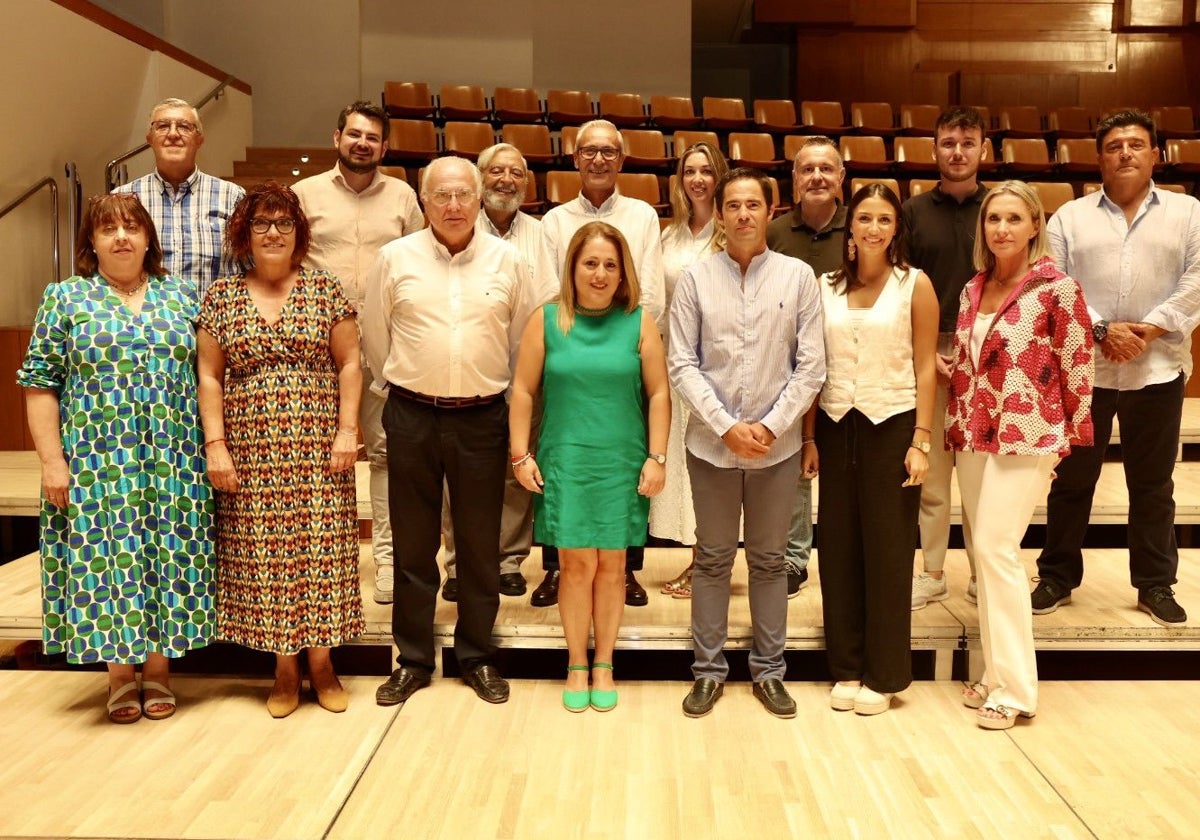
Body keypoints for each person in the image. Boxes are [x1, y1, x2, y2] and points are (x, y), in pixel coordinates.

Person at [19, 193, 215, 724]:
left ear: (149, 237)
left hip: (173, 457)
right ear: (92, 242)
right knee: (108, 560)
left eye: (132, 227)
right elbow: (40, 385)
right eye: (108, 229)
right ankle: (119, 678)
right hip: (97, 459)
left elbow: (207, 376)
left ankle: (159, 673)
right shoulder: (65, 298)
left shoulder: (182, 297)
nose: (122, 237)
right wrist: (51, 461)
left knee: (165, 558)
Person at [363, 156, 533, 707]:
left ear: (480, 197)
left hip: (483, 418)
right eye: (442, 196)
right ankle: (413, 659)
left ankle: (477, 657)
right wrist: (410, 389)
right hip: (412, 415)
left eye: (464, 194)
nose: (454, 206)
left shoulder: (508, 261)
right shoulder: (394, 259)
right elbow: (375, 338)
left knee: (479, 546)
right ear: (423, 199)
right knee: (413, 547)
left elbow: (521, 342)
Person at [197, 183, 363, 718]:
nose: (273, 232)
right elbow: (209, 375)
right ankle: (285, 669)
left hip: (318, 448)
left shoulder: (323, 288)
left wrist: (347, 430)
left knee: (320, 553)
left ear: (299, 234)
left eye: (284, 224)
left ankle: (323, 664)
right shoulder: (221, 297)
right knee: (264, 557)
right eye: (262, 224)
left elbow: (350, 365)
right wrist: (215, 444)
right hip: (249, 452)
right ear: (245, 233)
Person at [1034, 109, 1200, 626]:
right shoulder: (1069, 217)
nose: (1125, 152)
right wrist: (1104, 329)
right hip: (1086, 371)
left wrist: (1147, 329)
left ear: (1156, 154)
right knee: (1071, 481)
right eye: (1114, 146)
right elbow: (1053, 284)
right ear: (1099, 157)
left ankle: (1155, 584)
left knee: (1152, 483)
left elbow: (1198, 279)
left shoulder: (1190, 212)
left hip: (1158, 367)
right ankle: (1057, 576)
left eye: (1136, 144)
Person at [670, 168, 825, 719]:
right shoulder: (694, 279)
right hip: (710, 446)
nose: (741, 214)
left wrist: (771, 426)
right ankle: (708, 672)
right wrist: (725, 425)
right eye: (731, 205)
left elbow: (810, 367)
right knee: (711, 558)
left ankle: (769, 672)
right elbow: (681, 363)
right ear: (721, 211)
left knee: (768, 561)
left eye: (751, 205)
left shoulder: (798, 278)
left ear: (769, 210)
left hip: (775, 448)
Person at [947, 181, 1094, 729]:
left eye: (1013, 219)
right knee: (983, 557)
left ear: (1035, 225)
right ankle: (993, 674)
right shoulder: (972, 287)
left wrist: (1072, 437)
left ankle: (1014, 689)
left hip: (1029, 432)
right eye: (993, 219)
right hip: (974, 429)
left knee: (996, 547)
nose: (1002, 229)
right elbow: (972, 358)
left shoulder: (1057, 288)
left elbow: (1078, 363)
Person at [510, 221, 669, 711]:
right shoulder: (547, 319)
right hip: (567, 459)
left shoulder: (638, 321)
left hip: (621, 460)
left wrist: (657, 457)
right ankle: (577, 662)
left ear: (623, 273)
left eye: (609, 265)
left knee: (614, 566)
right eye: (590, 263)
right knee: (576, 564)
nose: (599, 274)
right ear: (572, 268)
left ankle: (606, 662)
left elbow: (660, 393)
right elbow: (521, 391)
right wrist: (520, 454)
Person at [802, 183, 938, 716]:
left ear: (896, 228)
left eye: (885, 219)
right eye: (865, 219)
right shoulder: (825, 285)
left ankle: (884, 675)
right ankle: (848, 666)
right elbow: (813, 368)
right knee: (837, 549)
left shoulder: (914, 285)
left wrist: (921, 440)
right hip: (836, 426)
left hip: (893, 427)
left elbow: (926, 365)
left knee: (886, 552)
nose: (874, 228)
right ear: (850, 228)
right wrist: (810, 436)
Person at [292, 100, 425, 607]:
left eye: (371, 137)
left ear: (384, 147)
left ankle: (387, 561)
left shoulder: (404, 196)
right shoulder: (305, 195)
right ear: (336, 138)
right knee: (318, 456)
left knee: (386, 455)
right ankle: (322, 557)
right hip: (319, 345)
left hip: (385, 343)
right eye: (353, 134)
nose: (362, 143)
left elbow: (420, 261)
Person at [532, 118, 666, 609]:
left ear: (623, 159)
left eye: (609, 151)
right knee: (563, 458)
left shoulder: (644, 215)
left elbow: (649, 286)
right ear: (575, 158)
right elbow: (551, 286)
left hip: (625, 340)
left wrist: (623, 328)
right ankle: (556, 567)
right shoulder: (554, 220)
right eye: (589, 151)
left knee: (624, 460)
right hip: (570, 339)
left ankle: (626, 568)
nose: (599, 159)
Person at [441, 142, 543, 601]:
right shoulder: (457, 228)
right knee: (457, 474)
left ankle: (508, 560)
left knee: (515, 469)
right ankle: (461, 564)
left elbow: (550, 302)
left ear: (527, 182)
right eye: (496, 171)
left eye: (516, 173)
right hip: (466, 373)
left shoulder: (542, 235)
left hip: (526, 373)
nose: (506, 179)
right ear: (480, 182)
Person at [902, 106, 990, 610]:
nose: (958, 152)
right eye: (948, 143)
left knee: (981, 477)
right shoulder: (913, 213)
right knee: (933, 476)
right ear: (934, 149)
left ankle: (984, 573)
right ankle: (932, 572)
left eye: (967, 142)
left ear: (983, 149)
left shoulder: (997, 207)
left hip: (988, 354)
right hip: (930, 349)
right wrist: (928, 353)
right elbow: (906, 289)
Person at [767, 135, 849, 597]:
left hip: (848, 363)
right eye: (806, 169)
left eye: (826, 168)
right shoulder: (774, 233)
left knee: (835, 464)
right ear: (794, 180)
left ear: (840, 178)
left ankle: (837, 555)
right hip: (788, 367)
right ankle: (794, 557)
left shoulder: (859, 229)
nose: (816, 176)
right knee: (797, 462)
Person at [653, 141, 728, 599]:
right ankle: (701, 558)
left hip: (717, 366)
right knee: (685, 465)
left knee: (714, 464)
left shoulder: (730, 230)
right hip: (672, 362)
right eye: (689, 171)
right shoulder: (670, 235)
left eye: (706, 171)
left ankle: (710, 562)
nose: (697, 179)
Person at [114, 97, 243, 300]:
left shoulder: (233, 197)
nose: (173, 134)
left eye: (184, 127)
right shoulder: (122, 199)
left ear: (199, 139)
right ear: (150, 138)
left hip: (213, 328)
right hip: (141, 328)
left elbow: (253, 271)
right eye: (163, 126)